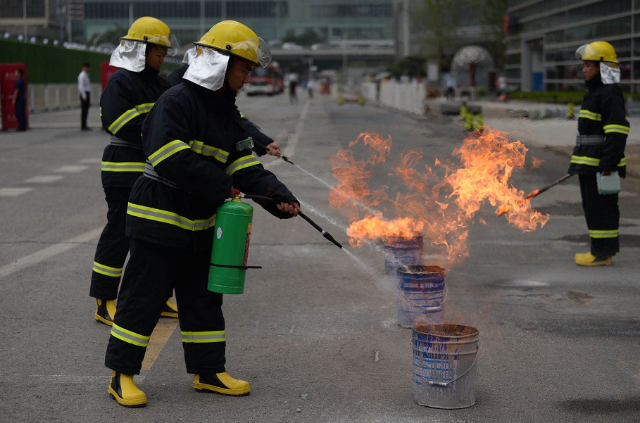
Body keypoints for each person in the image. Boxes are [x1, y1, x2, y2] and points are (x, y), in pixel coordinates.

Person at [103, 20, 300, 408]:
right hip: (158, 221)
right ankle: (121, 376)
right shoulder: (176, 101)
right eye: (243, 69)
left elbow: (244, 164)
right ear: (221, 64)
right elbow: (168, 157)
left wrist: (277, 196)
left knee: (203, 301)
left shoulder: (227, 113)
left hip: (200, 225)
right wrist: (222, 187)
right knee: (142, 300)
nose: (246, 77)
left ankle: (208, 372)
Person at [91, 17, 178, 326]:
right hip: (123, 171)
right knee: (119, 235)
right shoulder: (121, 82)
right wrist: (160, 134)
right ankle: (105, 300)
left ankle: (157, 297)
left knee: (156, 238)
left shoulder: (161, 83)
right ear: (141, 48)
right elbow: (117, 123)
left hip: (153, 174)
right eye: (158, 49)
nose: (163, 55)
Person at [570, 41, 628, 266]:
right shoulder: (595, 92)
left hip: (600, 166)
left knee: (601, 209)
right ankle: (600, 250)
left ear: (602, 67)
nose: (584, 70)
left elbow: (617, 132)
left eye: (588, 66)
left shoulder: (609, 94)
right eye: (584, 66)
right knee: (593, 209)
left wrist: (608, 164)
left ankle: (601, 254)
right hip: (589, 164)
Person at [167, 47, 282, 158]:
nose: (246, 80)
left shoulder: (217, 100)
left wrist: (263, 143)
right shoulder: (176, 98)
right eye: (244, 71)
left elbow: (237, 125)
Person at [78, 62, 92, 130]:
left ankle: (85, 125)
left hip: (87, 93)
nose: (87, 69)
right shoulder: (82, 75)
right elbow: (81, 87)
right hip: (84, 94)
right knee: (84, 110)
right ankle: (83, 125)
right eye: (86, 67)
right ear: (83, 67)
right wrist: (84, 96)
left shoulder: (86, 75)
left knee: (86, 110)